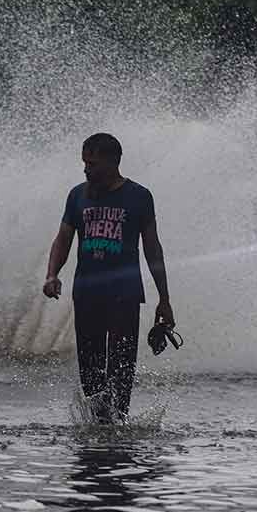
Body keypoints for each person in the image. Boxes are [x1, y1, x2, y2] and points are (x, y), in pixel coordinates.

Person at [43, 133, 174, 424]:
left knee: (121, 366)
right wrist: (52, 274)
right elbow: (63, 239)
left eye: (93, 163)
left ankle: (118, 425)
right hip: (86, 293)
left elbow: (153, 248)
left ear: (113, 162)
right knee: (90, 369)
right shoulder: (77, 195)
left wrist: (164, 299)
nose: (87, 169)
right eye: (84, 163)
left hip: (124, 294)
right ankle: (97, 428)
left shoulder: (139, 196)